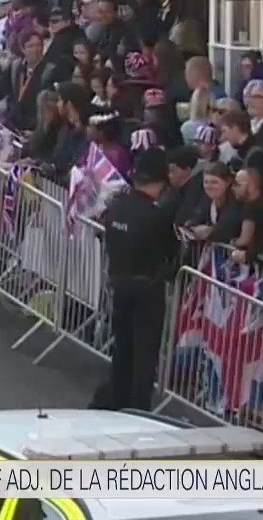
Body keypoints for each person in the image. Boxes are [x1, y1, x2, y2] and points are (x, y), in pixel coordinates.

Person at [100, 148, 178, 411]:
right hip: (146, 287)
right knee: (144, 354)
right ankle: (137, 408)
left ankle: (116, 399)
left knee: (122, 347)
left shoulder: (116, 206)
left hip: (119, 281)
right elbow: (171, 253)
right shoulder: (156, 217)